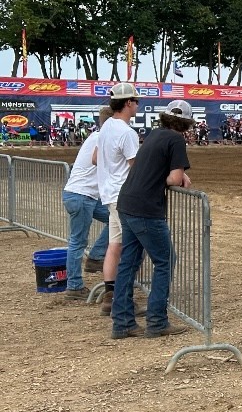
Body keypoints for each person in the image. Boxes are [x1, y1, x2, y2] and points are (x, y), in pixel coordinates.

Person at [110, 100, 194, 339]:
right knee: (165, 261)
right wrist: (179, 176)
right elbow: (173, 179)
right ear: (186, 123)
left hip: (127, 203)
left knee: (128, 263)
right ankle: (157, 321)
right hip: (146, 209)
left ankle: (122, 322)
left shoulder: (154, 135)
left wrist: (176, 174)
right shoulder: (176, 140)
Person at [94, 82, 142, 316]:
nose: (138, 105)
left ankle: (111, 296)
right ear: (128, 103)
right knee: (131, 249)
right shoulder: (126, 132)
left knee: (115, 246)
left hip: (109, 194)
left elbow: (97, 159)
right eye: (136, 101)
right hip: (124, 197)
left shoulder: (106, 129)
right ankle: (124, 300)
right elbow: (137, 168)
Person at [62, 106, 113, 300]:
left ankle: (96, 256)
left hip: (81, 195)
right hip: (82, 196)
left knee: (117, 218)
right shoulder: (103, 138)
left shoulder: (95, 137)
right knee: (77, 241)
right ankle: (74, 285)